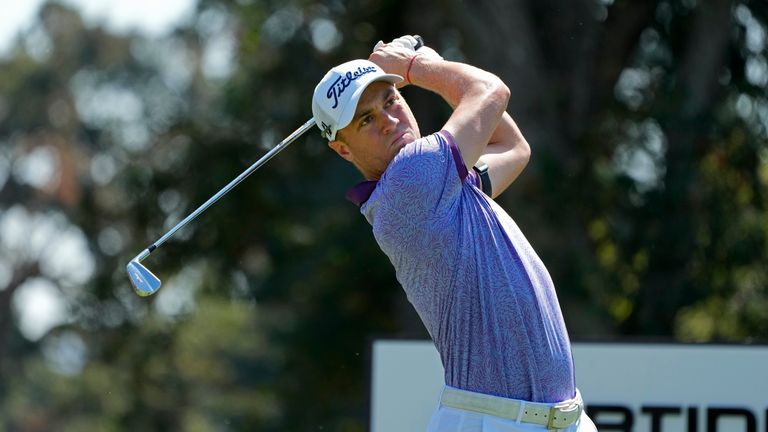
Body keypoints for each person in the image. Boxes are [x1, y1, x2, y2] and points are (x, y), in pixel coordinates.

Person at [311, 35, 597, 431]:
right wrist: (418, 66)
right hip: (494, 420)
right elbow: (490, 90)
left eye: (391, 100)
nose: (389, 120)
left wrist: (430, 65)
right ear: (344, 150)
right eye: (366, 120)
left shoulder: (441, 188)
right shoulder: (412, 178)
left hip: (557, 419)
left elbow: (513, 147)